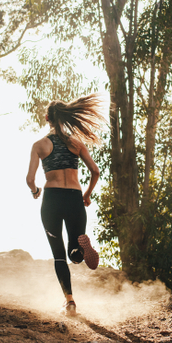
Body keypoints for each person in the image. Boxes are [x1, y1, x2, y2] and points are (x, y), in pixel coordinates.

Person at [26, 93, 108, 316]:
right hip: (74, 197)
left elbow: (30, 179)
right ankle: (81, 247)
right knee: (74, 253)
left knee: (59, 255)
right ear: (65, 118)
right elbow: (95, 171)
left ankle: (70, 302)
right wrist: (88, 194)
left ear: (47, 118)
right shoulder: (76, 144)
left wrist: (35, 191)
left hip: (52, 199)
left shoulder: (39, 145)